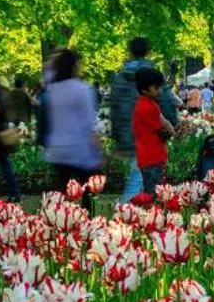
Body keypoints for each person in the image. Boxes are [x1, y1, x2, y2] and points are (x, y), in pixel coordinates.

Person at [110, 37, 176, 204]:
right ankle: (125, 216)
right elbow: (167, 103)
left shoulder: (119, 78)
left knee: (138, 177)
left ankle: (131, 214)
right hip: (150, 139)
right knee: (141, 181)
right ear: (148, 52)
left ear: (130, 52)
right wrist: (171, 126)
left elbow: (114, 108)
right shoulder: (153, 75)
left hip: (128, 136)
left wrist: (118, 138)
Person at [42, 48, 102, 203]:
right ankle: (87, 222)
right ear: (74, 66)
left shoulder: (52, 90)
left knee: (60, 194)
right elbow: (89, 124)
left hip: (57, 149)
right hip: (79, 149)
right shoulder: (82, 89)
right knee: (88, 191)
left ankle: (59, 222)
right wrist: (99, 150)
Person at [132, 65, 175, 194]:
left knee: (149, 189)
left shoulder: (143, 104)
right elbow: (161, 131)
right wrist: (173, 133)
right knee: (154, 193)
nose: (160, 90)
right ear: (144, 90)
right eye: (156, 87)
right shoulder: (149, 107)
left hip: (145, 155)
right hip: (152, 156)